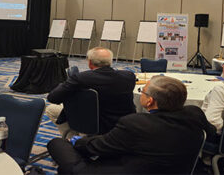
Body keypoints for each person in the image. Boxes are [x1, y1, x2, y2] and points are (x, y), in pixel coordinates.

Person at [47, 75, 212, 175]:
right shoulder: (195, 113)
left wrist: (77, 142)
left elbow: (96, 147)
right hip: (179, 170)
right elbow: (212, 133)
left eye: (143, 92)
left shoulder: (136, 123)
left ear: (150, 101)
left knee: (57, 144)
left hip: (129, 170)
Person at [45, 47, 136, 138]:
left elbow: (52, 97)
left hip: (95, 126)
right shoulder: (129, 76)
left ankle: (73, 139)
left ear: (90, 63)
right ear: (110, 62)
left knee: (51, 109)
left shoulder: (81, 78)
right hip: (125, 124)